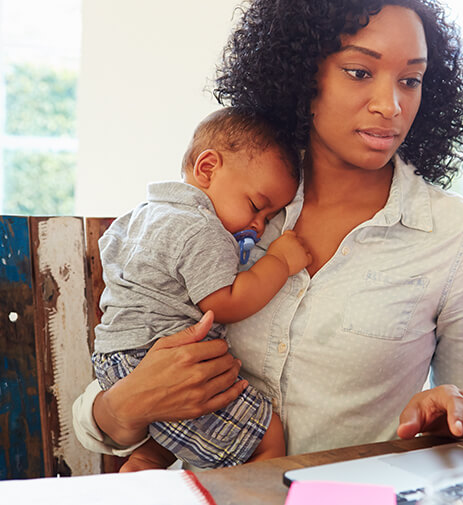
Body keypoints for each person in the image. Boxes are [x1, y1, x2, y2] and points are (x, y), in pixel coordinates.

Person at [72, 0, 463, 464]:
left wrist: (441, 424)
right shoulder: (232, 203)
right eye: (360, 72)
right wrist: (124, 408)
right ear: (304, 74)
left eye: (410, 80)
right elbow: (108, 396)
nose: (390, 105)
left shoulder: (458, 238)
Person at [90, 108, 312, 471]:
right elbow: (226, 302)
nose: (258, 226)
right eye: (257, 207)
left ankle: (144, 462)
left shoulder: (141, 214)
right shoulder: (202, 229)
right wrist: (280, 262)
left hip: (116, 358)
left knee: (171, 438)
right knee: (267, 435)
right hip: (157, 359)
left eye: (270, 219)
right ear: (207, 168)